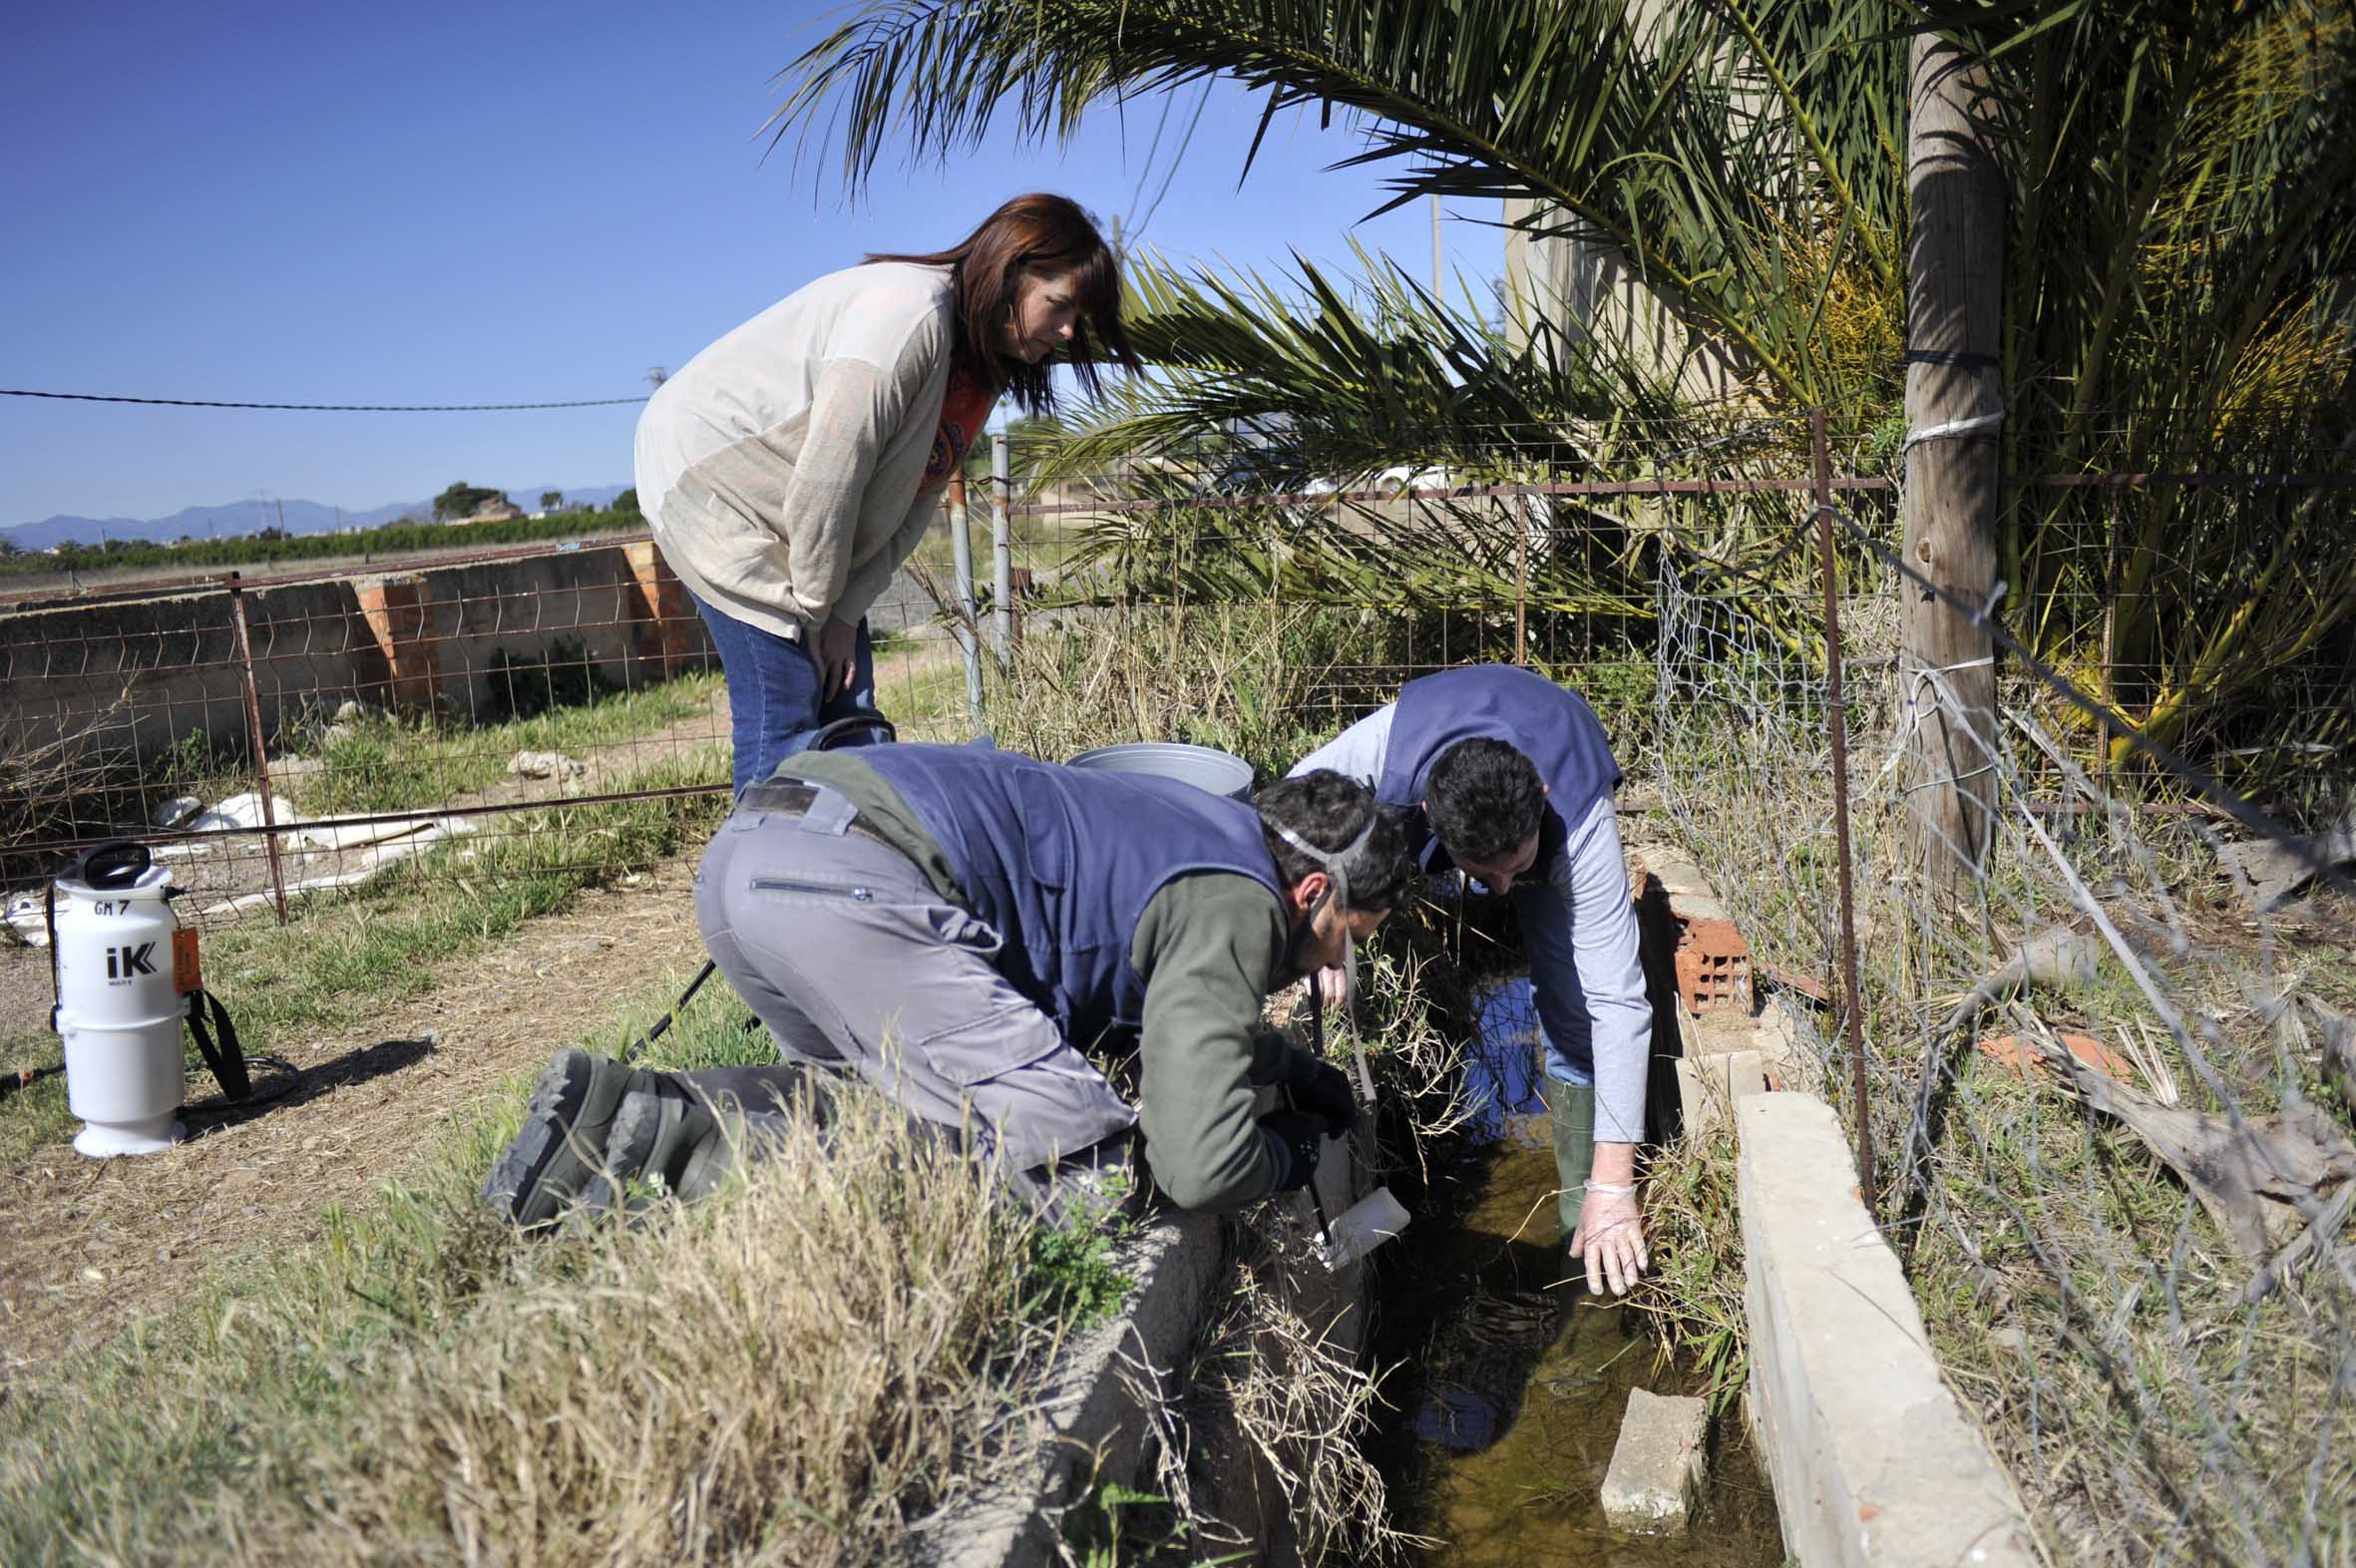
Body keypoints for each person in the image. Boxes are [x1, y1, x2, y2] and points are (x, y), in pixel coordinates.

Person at [483, 747, 1414, 1226]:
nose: (1331, 966)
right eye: (1344, 940)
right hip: (849, 884)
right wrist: (1286, 1160)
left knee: (888, 1105)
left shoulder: (1205, 828)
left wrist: (1288, 1063)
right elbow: (1197, 1166)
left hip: (759, 857)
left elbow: (1176, 1022)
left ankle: (619, 1119)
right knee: (1083, 1171)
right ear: (1310, 890)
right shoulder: (1238, 903)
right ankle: (693, 1176)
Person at [633, 194, 1140, 794]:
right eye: (1059, 306)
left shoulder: (978, 362)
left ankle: (853, 872)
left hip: (795, 514)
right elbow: (831, 475)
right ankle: (762, 876)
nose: (1067, 331)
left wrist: (842, 615)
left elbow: (916, 496)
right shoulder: (907, 316)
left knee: (852, 712)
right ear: (1009, 270)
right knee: (788, 716)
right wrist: (819, 609)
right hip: (717, 487)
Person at [1290, 664, 1653, 1295]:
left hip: (1559, 783)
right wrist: (1322, 936)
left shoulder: (1573, 798)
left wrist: (1615, 1186)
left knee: (1572, 1007)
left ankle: (1585, 1217)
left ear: (1538, 795)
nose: (1504, 888)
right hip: (1431, 804)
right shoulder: (1381, 758)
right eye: (1484, 871)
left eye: (1516, 865)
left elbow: (1619, 1002)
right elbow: (1286, 820)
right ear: (1430, 814)